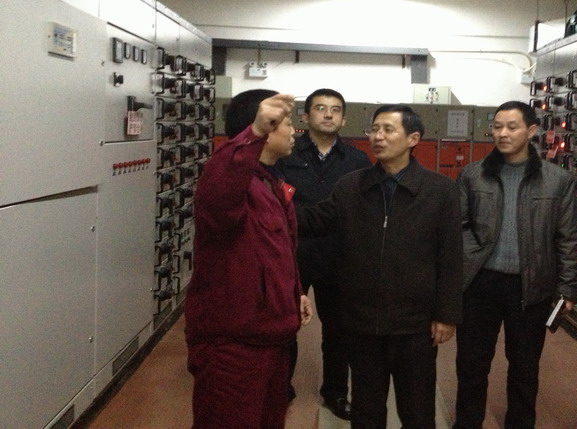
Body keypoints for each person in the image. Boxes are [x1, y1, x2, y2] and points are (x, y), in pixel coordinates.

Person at [297, 104, 463, 429]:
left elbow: (450, 256)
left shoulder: (439, 190)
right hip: (362, 323)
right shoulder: (351, 186)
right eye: (374, 129)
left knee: (417, 411)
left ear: (413, 138)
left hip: (414, 325)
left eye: (388, 130)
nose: (378, 137)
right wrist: (268, 206)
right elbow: (316, 219)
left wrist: (447, 315)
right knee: (366, 410)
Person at [184, 89, 313, 429]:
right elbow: (220, 187)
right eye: (286, 123)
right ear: (264, 127)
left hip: (272, 339)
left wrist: (294, 293)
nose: (294, 130)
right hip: (233, 345)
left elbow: (273, 250)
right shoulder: (230, 184)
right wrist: (253, 133)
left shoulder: (269, 183)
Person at [454, 100, 577, 429]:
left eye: (512, 127)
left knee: (525, 367)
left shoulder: (557, 180)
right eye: (497, 126)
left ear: (531, 131)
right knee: (471, 364)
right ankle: (467, 423)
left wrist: (567, 288)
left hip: (530, 286)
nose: (503, 133)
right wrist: (471, 257)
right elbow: (458, 226)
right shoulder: (473, 175)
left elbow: (568, 238)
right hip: (480, 283)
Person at [278, 88, 371, 420]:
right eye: (320, 108)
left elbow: (363, 209)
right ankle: (280, 388)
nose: (328, 114)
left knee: (339, 330)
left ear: (344, 119)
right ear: (305, 116)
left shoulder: (357, 161)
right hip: (294, 253)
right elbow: (276, 201)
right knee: (285, 324)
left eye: (335, 109)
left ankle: (335, 392)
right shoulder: (286, 154)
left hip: (338, 254)